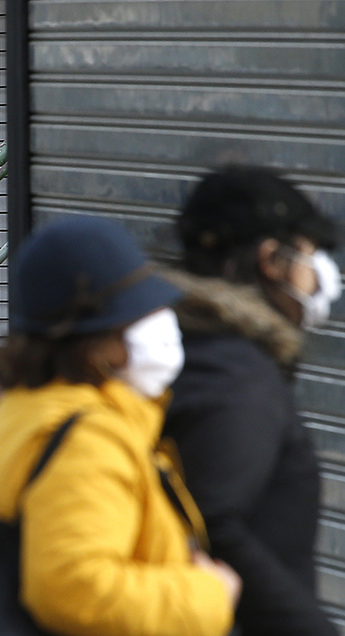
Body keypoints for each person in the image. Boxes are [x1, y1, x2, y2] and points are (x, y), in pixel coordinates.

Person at [0, 216, 240, 636]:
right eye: (141, 312)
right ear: (94, 343)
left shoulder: (20, 414)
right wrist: (208, 594)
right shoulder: (85, 437)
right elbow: (75, 588)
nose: (164, 322)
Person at [162, 168, 339, 636]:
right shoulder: (235, 373)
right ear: (270, 260)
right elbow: (212, 521)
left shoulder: (186, 347)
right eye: (308, 254)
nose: (321, 272)